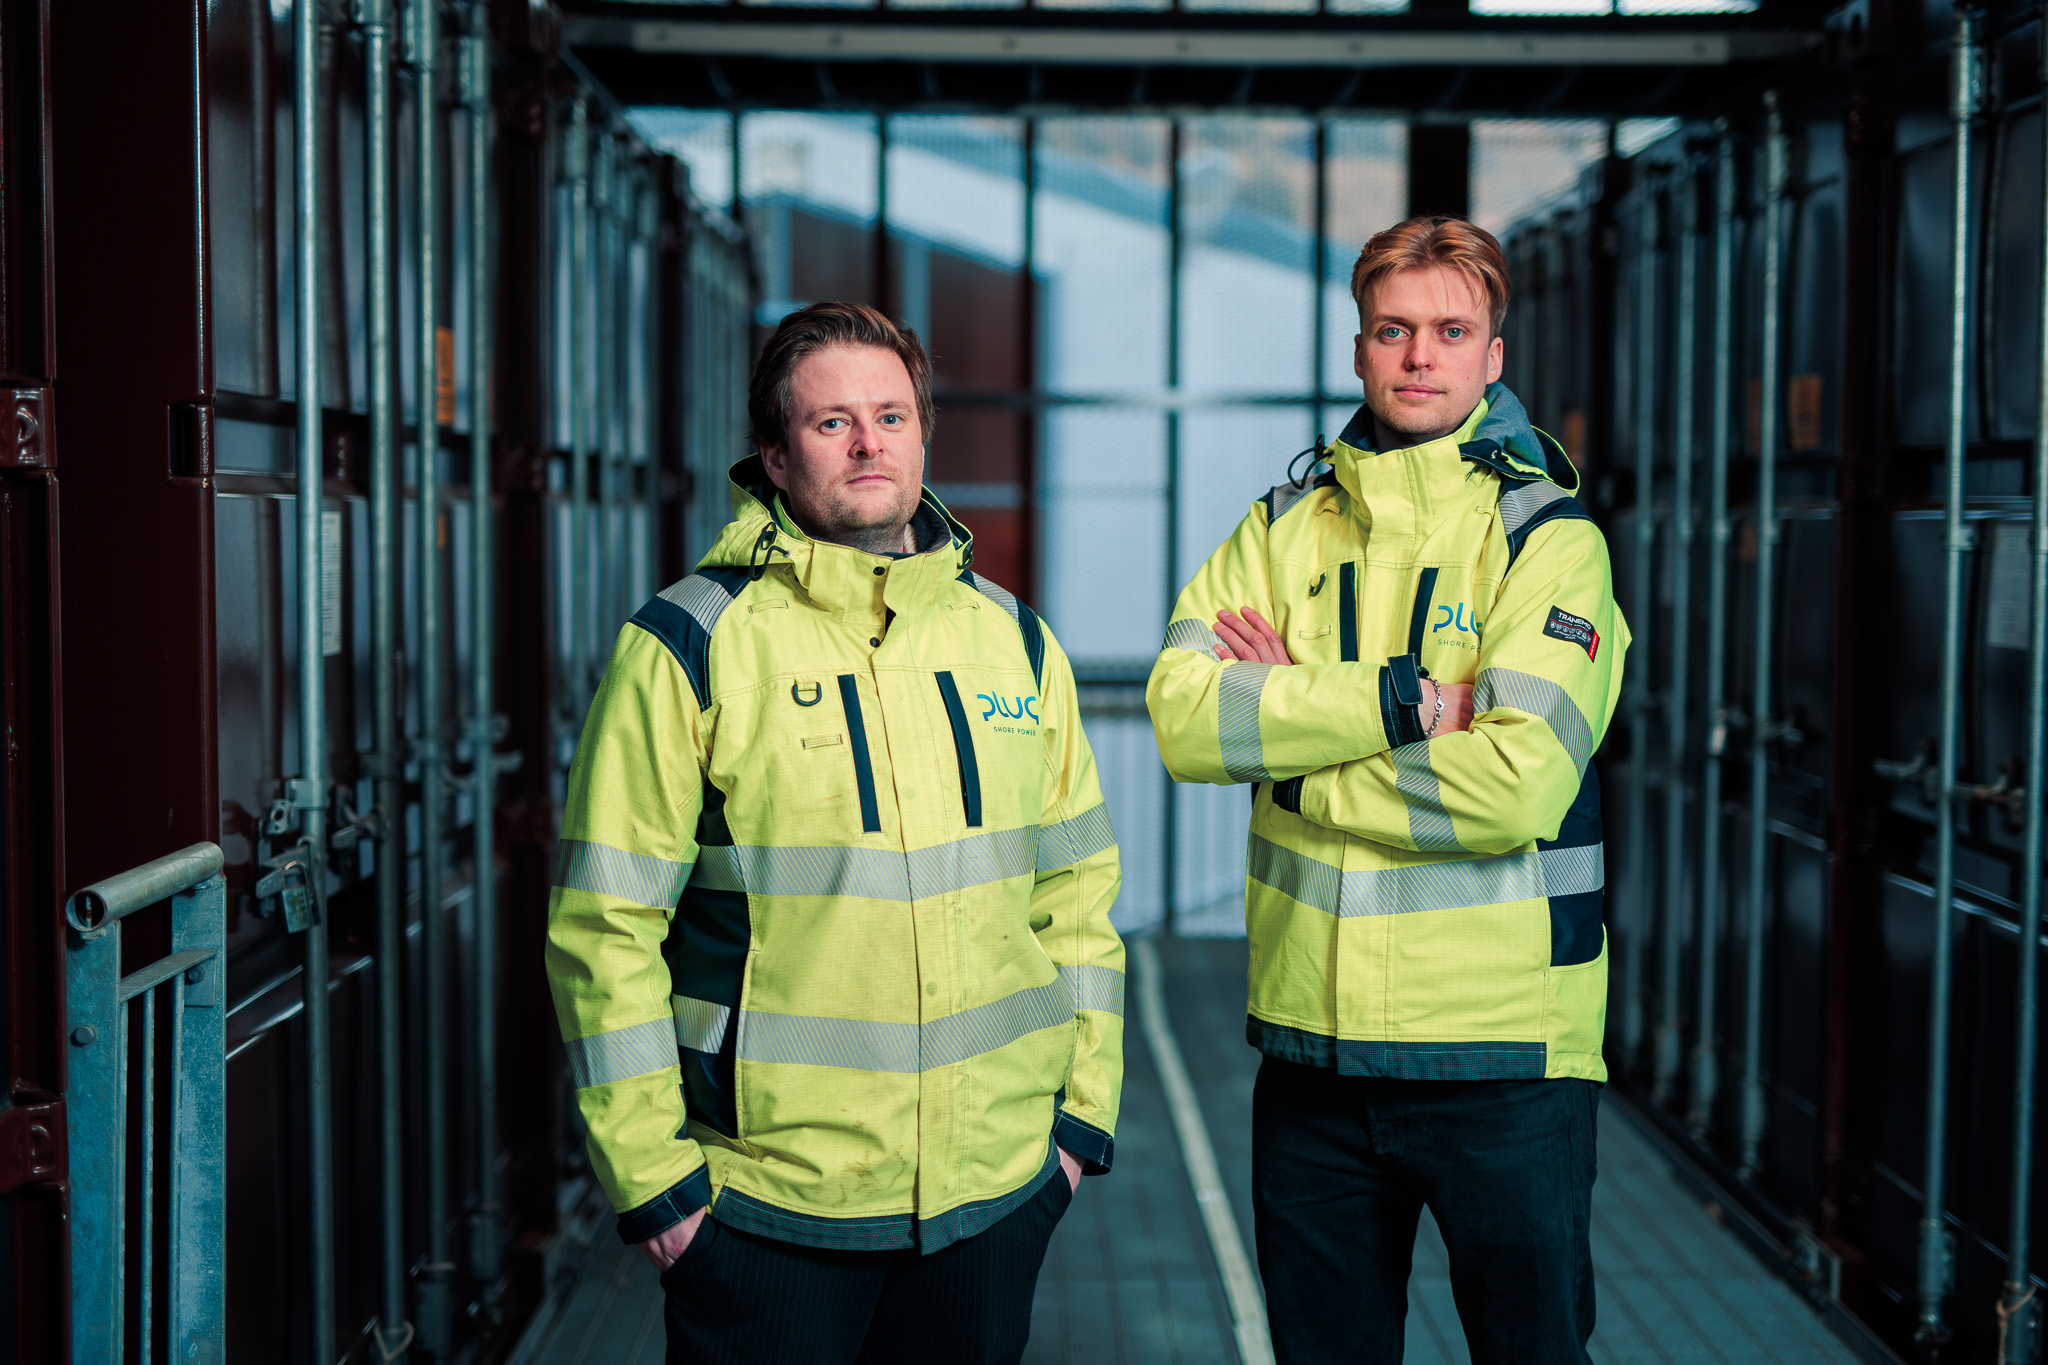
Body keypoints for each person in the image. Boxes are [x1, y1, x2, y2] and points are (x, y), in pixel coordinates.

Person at [546, 301, 1125, 1364]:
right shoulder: (687, 645)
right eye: (831, 424)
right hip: (766, 1207)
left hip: (991, 1194)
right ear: (772, 454)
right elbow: (603, 928)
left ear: (921, 435)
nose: (868, 444)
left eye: (891, 416)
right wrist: (660, 1190)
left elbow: (1076, 896)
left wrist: (1076, 1127)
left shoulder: (1011, 642)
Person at [1146, 215, 1629, 1365]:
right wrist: (1408, 704)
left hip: (1505, 1058)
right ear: (1357, 349)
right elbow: (1181, 717)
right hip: (1311, 1055)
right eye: (1392, 330)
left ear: (1491, 356)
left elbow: (1512, 786)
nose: (1419, 356)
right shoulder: (1276, 529)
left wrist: (1293, 746)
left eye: (1449, 331)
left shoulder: (1549, 544)